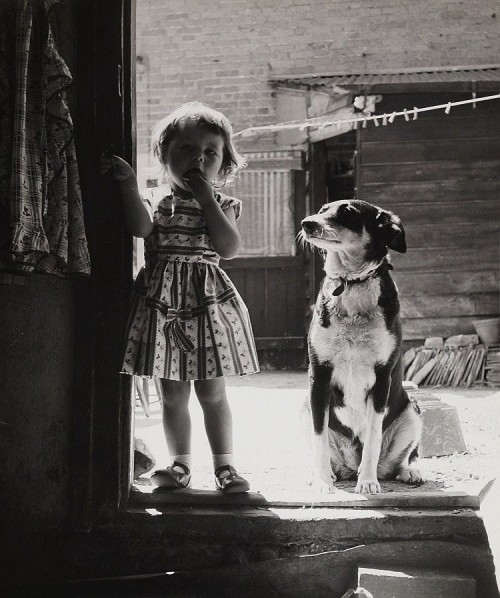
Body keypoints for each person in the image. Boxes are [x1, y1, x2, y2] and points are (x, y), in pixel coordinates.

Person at [99, 102, 259, 493]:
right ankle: (180, 465)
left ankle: (226, 467)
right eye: (186, 150)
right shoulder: (157, 202)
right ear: (164, 156)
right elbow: (139, 228)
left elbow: (229, 247)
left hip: (206, 308)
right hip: (163, 308)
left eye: (210, 153)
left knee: (212, 390)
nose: (198, 159)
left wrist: (207, 201)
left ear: (222, 165)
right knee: (172, 391)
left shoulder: (223, 205)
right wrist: (126, 182)